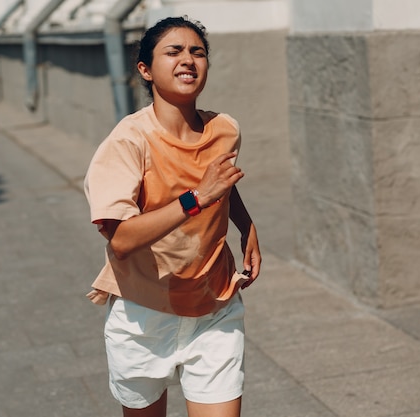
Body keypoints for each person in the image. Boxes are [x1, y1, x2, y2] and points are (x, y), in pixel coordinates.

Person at [83, 16, 261, 417]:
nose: (188, 60)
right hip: (144, 313)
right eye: (174, 51)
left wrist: (246, 227)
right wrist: (196, 198)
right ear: (145, 69)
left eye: (198, 52)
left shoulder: (225, 130)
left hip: (215, 306)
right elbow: (123, 240)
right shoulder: (128, 141)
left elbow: (222, 185)